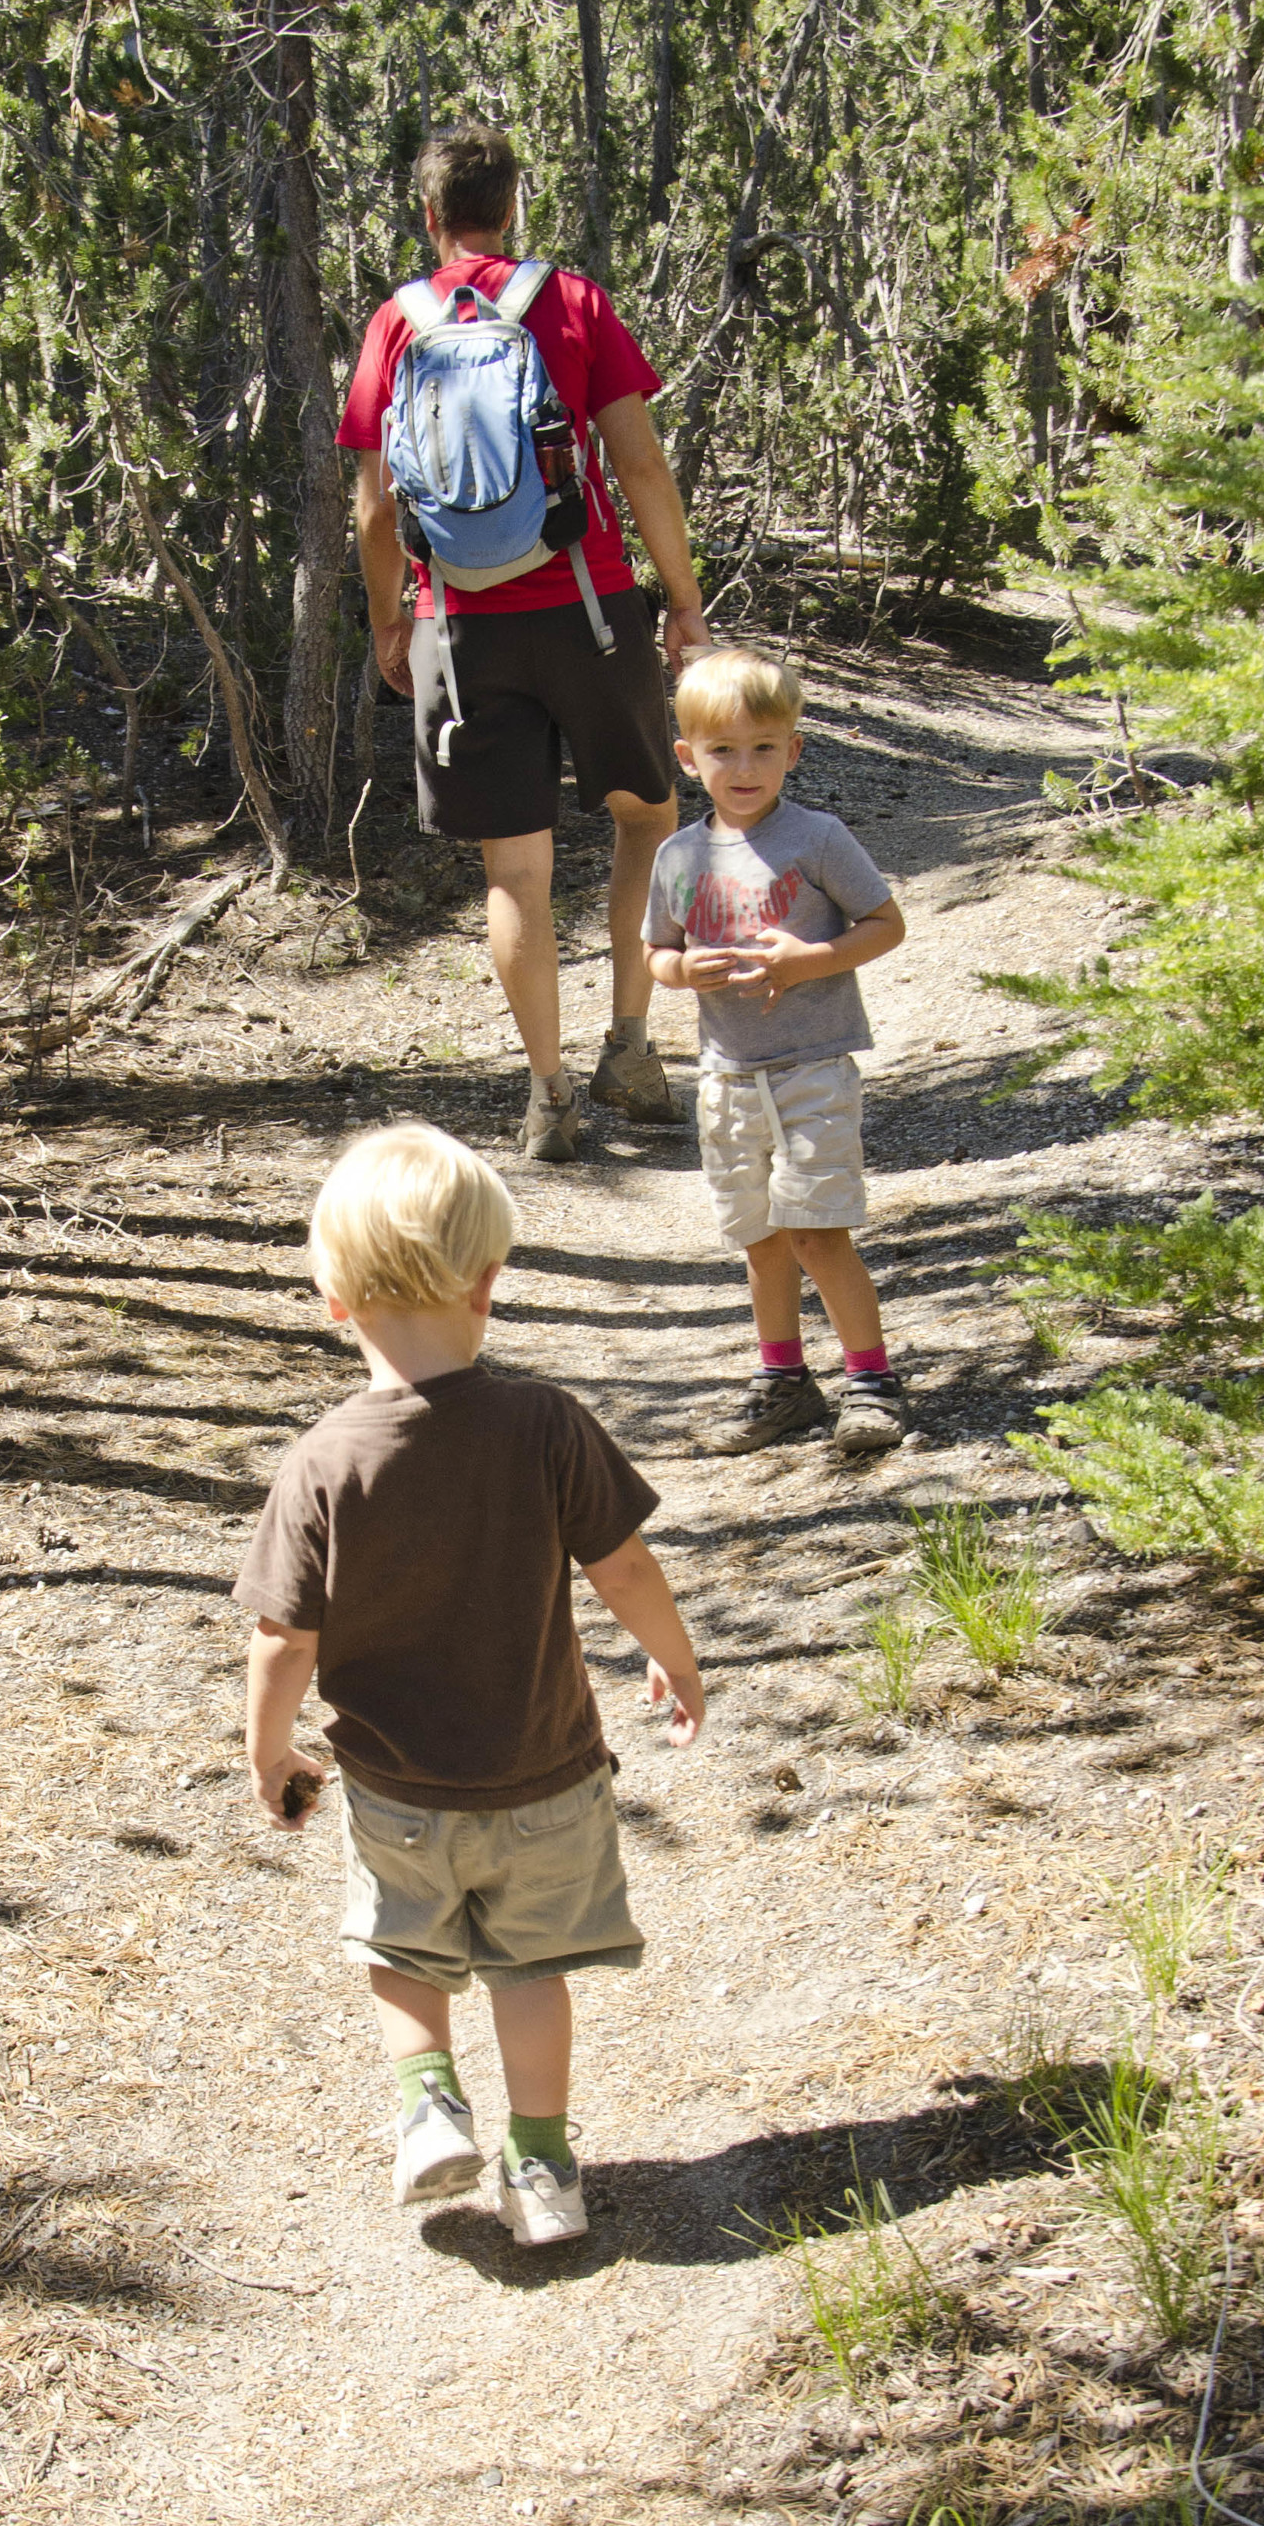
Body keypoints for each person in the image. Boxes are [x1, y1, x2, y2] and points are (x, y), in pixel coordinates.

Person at [234, 1122, 704, 2247]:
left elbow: (282, 1639)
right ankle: (542, 2170)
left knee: (403, 1954)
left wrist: (270, 1753)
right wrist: (676, 1659)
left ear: (331, 1300)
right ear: (490, 1283)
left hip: (397, 1794)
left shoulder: (321, 1464)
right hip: (547, 1774)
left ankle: (428, 2106)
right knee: (532, 1969)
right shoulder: (544, 1423)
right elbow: (623, 1564)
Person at [339, 120, 713, 1166]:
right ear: (514, 206)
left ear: (428, 216)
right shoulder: (573, 301)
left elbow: (373, 510)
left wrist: (387, 619)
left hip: (457, 625)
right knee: (648, 817)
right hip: (589, 607)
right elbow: (637, 464)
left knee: (516, 874)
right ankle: (632, 1047)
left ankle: (548, 1098)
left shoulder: (395, 324)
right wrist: (678, 600)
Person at [644, 648, 911, 1455]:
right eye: (723, 749)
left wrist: (811, 960)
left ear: (794, 750)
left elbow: (886, 923)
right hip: (726, 1075)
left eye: (765, 746)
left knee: (817, 1230)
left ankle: (872, 1382)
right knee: (758, 1236)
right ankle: (784, 1381)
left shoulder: (818, 838)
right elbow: (656, 952)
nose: (745, 765)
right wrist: (683, 969)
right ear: (689, 758)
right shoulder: (678, 856)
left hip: (814, 1066)